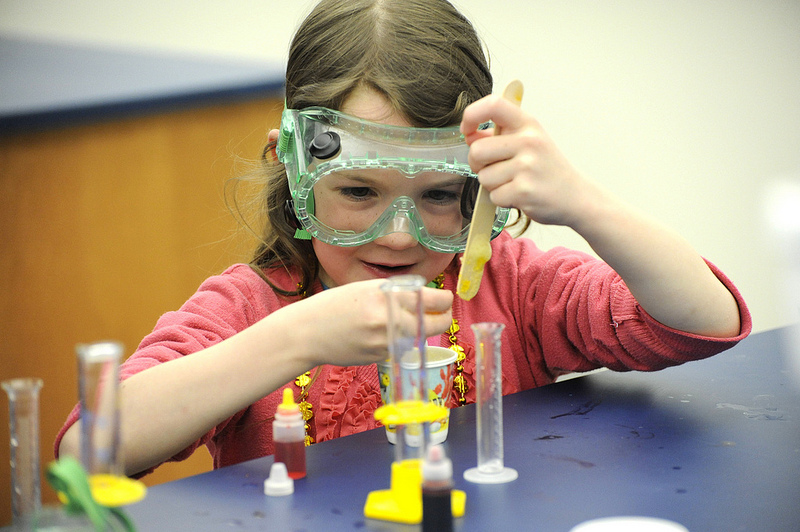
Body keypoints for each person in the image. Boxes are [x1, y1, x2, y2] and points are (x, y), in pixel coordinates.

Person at [55, 0, 751, 478]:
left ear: (480, 187)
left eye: (439, 197)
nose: (397, 234)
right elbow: (88, 451)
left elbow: (701, 323)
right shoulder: (252, 307)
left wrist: (583, 202)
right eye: (359, 192)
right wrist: (294, 339)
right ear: (295, 170)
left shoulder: (511, 286)